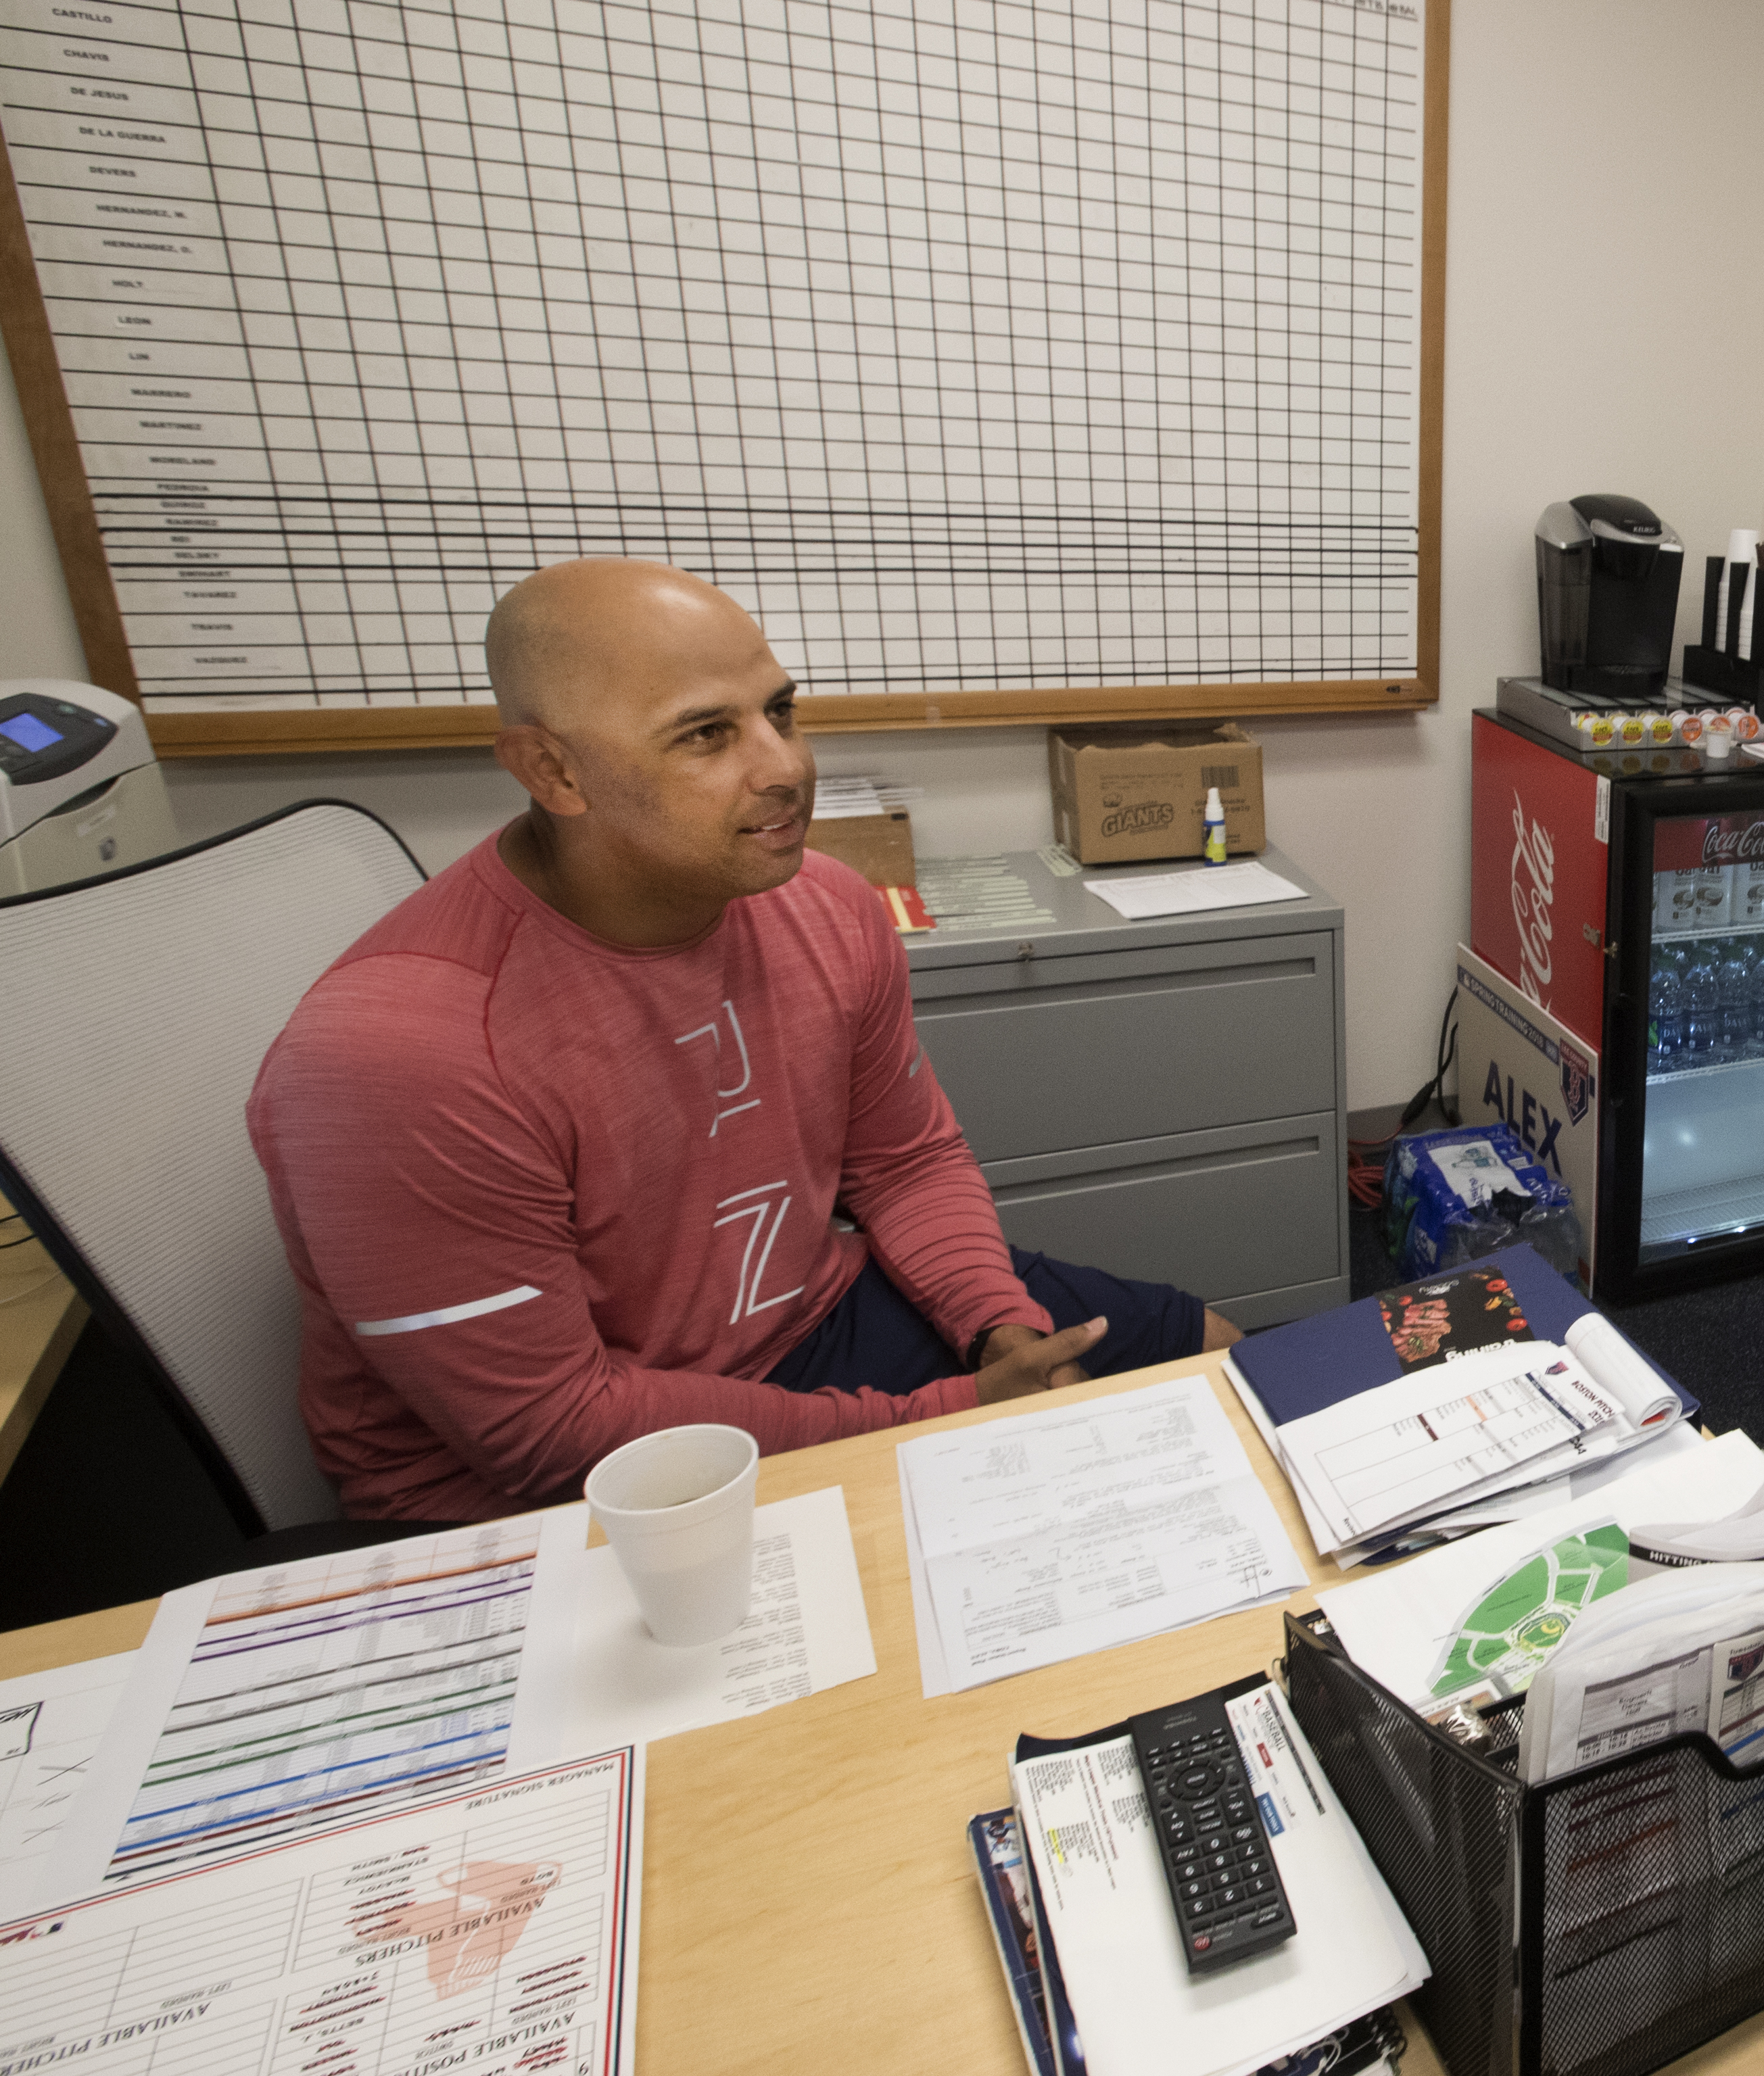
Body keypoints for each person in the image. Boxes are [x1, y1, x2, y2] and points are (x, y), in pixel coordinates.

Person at [249, 559, 1239, 1523]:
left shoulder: (826, 905)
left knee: (1225, 1366)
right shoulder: (397, 1056)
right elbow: (544, 1428)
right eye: (707, 735)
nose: (786, 768)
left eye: (781, 712)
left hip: (802, 1322)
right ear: (552, 770)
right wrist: (944, 1418)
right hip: (541, 1481)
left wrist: (999, 1329)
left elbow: (904, 1161)